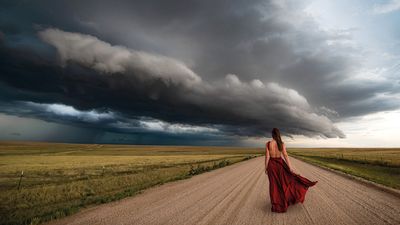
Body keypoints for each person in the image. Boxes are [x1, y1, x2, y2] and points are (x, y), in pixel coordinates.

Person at [265, 128, 317, 213]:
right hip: (280, 165)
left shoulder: (268, 144)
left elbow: (267, 157)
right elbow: (285, 155)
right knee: (284, 183)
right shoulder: (281, 144)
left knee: (273, 185)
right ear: (278, 134)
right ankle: (284, 201)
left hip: (271, 166)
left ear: (272, 134)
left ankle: (276, 205)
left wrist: (266, 167)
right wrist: (290, 167)